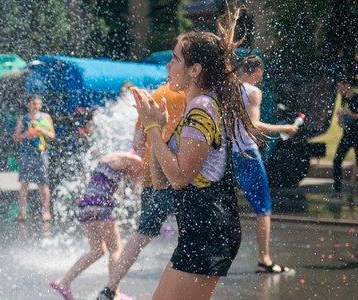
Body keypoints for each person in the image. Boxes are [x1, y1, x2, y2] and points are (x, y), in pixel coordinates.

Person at [132, 6, 255, 299]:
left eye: (175, 59)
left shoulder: (202, 108)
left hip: (209, 231)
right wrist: (159, 130)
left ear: (195, 69)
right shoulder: (199, 105)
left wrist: (150, 128)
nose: (168, 66)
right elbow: (162, 182)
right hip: (200, 231)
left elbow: (179, 178)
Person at [103, 84, 186, 299]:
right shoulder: (191, 94)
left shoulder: (154, 96)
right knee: (192, 233)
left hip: (151, 172)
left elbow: (138, 143)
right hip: (179, 169)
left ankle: (111, 287)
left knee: (143, 233)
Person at [49, 152, 145, 300]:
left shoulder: (112, 161)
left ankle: (63, 282)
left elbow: (135, 179)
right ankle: (115, 293)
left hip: (87, 206)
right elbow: (141, 175)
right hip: (101, 205)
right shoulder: (134, 158)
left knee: (97, 250)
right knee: (116, 249)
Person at [234, 55, 298, 273]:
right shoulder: (253, 91)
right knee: (263, 207)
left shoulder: (228, 88)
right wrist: (285, 128)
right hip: (247, 154)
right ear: (257, 73)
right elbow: (253, 125)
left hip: (227, 153)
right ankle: (265, 260)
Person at [13, 94, 55, 221]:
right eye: (34, 104)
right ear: (28, 105)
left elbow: (52, 135)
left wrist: (41, 129)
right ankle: (22, 212)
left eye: (38, 104)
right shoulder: (23, 118)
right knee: (24, 183)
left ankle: (46, 211)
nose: (36, 106)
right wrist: (26, 134)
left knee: (42, 183)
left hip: (40, 153)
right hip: (26, 153)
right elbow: (16, 137)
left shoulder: (45, 117)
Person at [332, 79, 358, 196]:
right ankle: (337, 189)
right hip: (347, 135)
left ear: (347, 85)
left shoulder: (357, 97)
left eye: (340, 87)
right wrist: (340, 118)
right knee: (337, 161)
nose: (338, 90)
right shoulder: (344, 99)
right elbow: (341, 123)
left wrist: (348, 114)